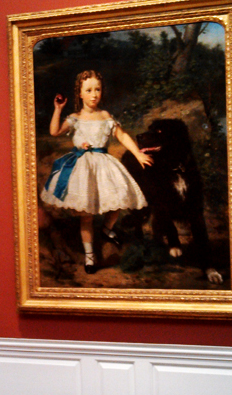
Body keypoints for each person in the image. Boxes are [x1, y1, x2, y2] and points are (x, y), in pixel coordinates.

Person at [40, 70, 152, 273]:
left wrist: (138, 154)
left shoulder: (105, 116)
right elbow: (54, 132)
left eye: (97, 90)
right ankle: (90, 256)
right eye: (89, 90)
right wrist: (58, 110)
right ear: (80, 94)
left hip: (104, 165)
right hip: (83, 168)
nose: (94, 95)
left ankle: (107, 229)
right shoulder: (75, 118)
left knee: (120, 200)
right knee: (86, 215)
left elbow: (122, 136)